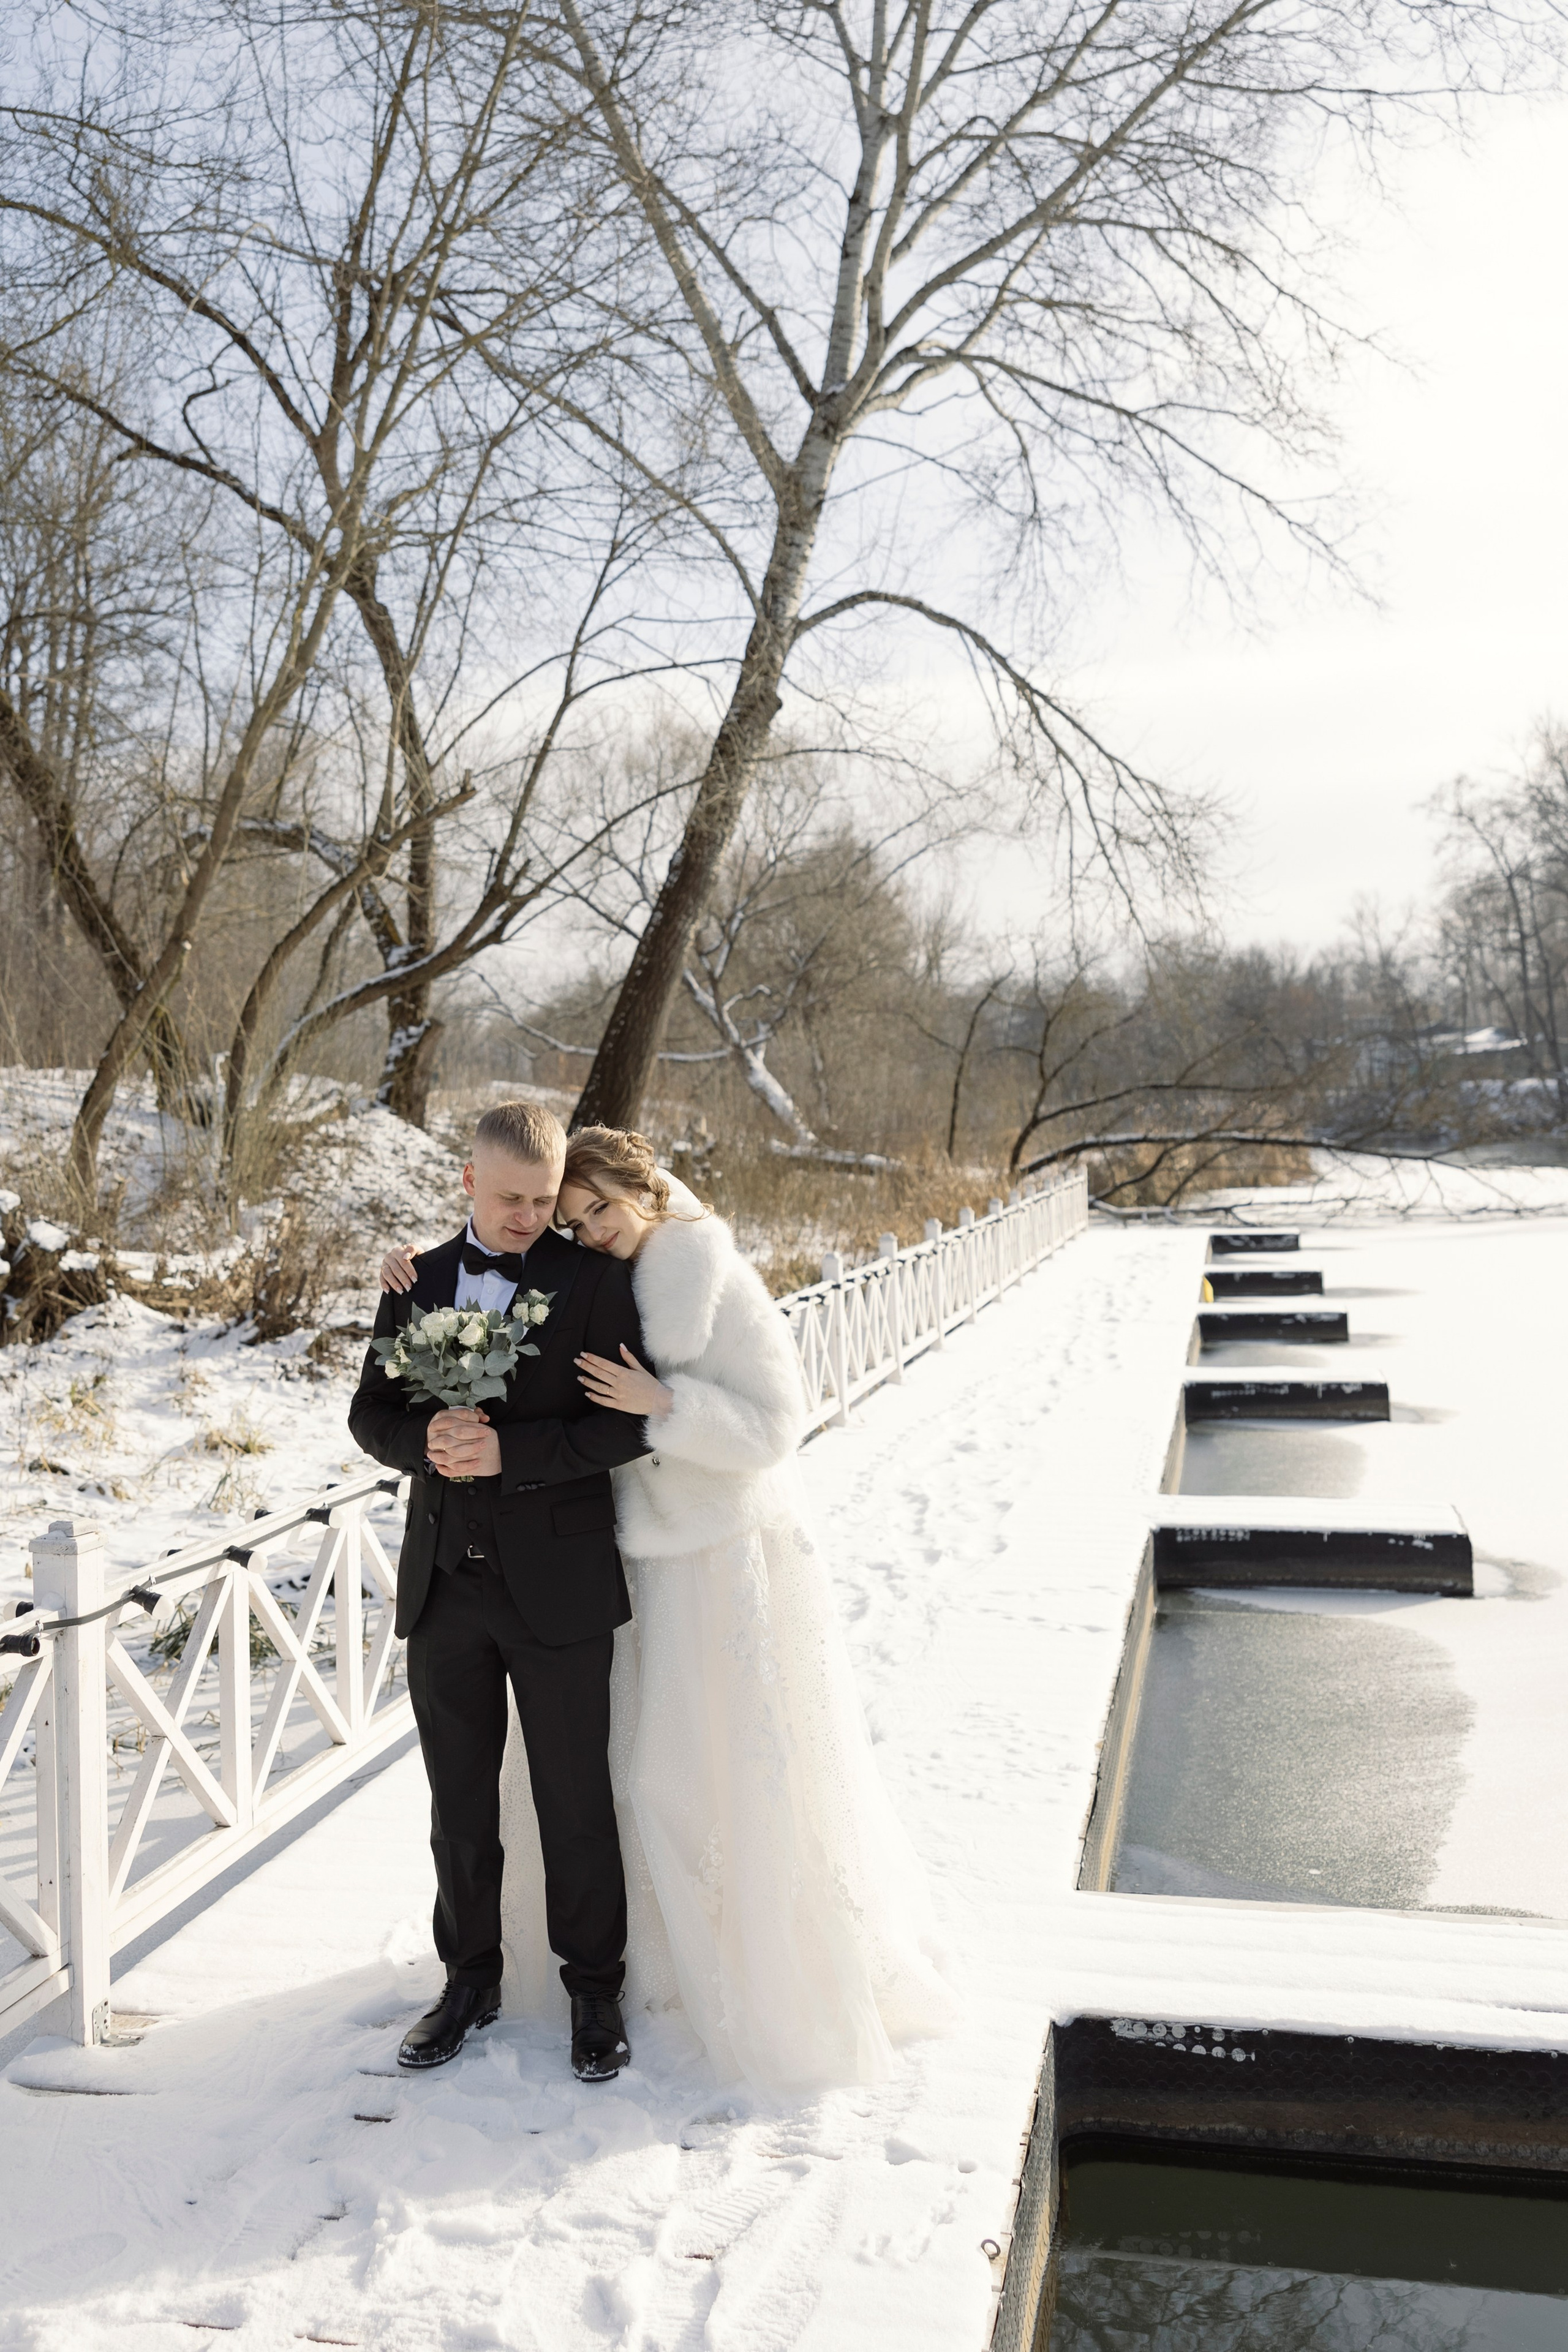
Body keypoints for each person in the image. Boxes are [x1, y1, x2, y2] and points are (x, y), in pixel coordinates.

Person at [381, 1124, 950, 2094]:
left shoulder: (695, 1278)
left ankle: (673, 1973)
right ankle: (572, 1969)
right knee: (613, 1774)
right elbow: (411, 1375)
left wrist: (664, 1405)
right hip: (612, 1558)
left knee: (694, 1769)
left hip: (710, 1551)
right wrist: (412, 1283)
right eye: (573, 1216)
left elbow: (772, 1423)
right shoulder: (523, 1268)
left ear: (646, 1194)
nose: (587, 1229)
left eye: (598, 1209)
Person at [349, 1101, 649, 2084]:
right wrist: (422, 1442)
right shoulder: (418, 1278)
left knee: (575, 1800)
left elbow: (626, 1428)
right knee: (459, 1804)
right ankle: (468, 1980)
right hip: (444, 1585)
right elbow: (370, 1411)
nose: (528, 1217)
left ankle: (595, 1991)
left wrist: (509, 1454)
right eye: (510, 1197)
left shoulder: (595, 1281)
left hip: (560, 1586)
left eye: (542, 1198)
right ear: (469, 1181)